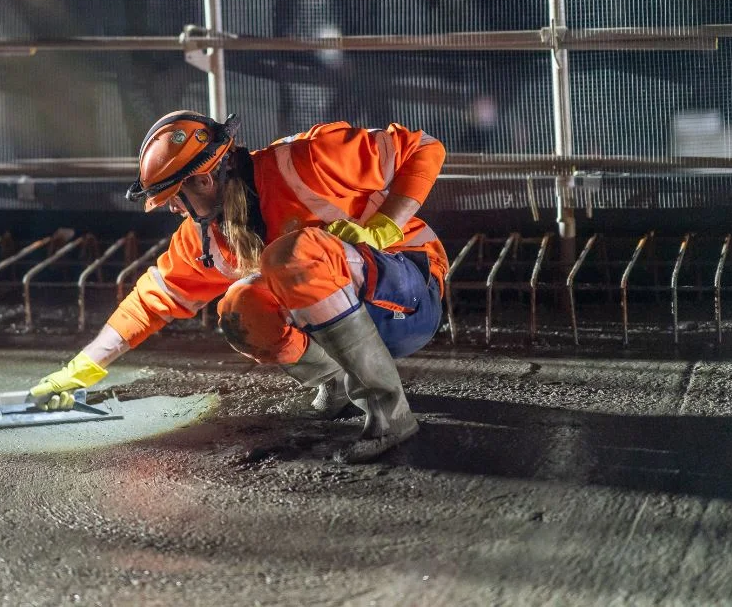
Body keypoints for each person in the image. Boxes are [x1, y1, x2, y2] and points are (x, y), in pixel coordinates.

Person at [30, 110, 448, 463]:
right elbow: (150, 301)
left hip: (410, 294)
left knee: (290, 255)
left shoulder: (307, 160)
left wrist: (382, 227)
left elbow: (424, 147)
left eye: (175, 197)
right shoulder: (208, 238)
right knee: (241, 306)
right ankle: (335, 382)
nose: (174, 209)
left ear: (205, 181)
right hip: (360, 307)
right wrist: (79, 370)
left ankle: (390, 415)